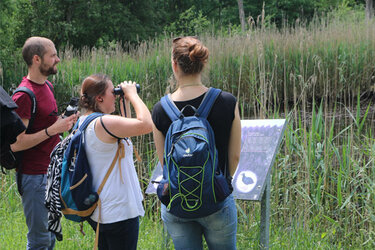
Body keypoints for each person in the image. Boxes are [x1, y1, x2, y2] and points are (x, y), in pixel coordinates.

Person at [152, 36, 241, 249]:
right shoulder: (226, 101)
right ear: (204, 63)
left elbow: (165, 162)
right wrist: (219, 182)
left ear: (174, 65)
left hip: (177, 202)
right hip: (217, 201)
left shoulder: (160, 109)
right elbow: (234, 156)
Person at [11, 36, 77, 249]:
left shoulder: (47, 86)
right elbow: (16, 143)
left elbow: (47, 125)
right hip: (34, 178)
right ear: (37, 59)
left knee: (49, 238)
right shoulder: (23, 96)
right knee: (39, 240)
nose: (58, 59)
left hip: (50, 174)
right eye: (53, 55)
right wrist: (52, 130)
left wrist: (64, 124)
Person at [78, 74, 152, 250]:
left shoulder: (84, 121)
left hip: (100, 210)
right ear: (99, 98)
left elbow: (124, 139)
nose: (116, 94)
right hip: (119, 213)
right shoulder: (104, 123)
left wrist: (124, 103)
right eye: (113, 92)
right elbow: (147, 124)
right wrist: (133, 95)